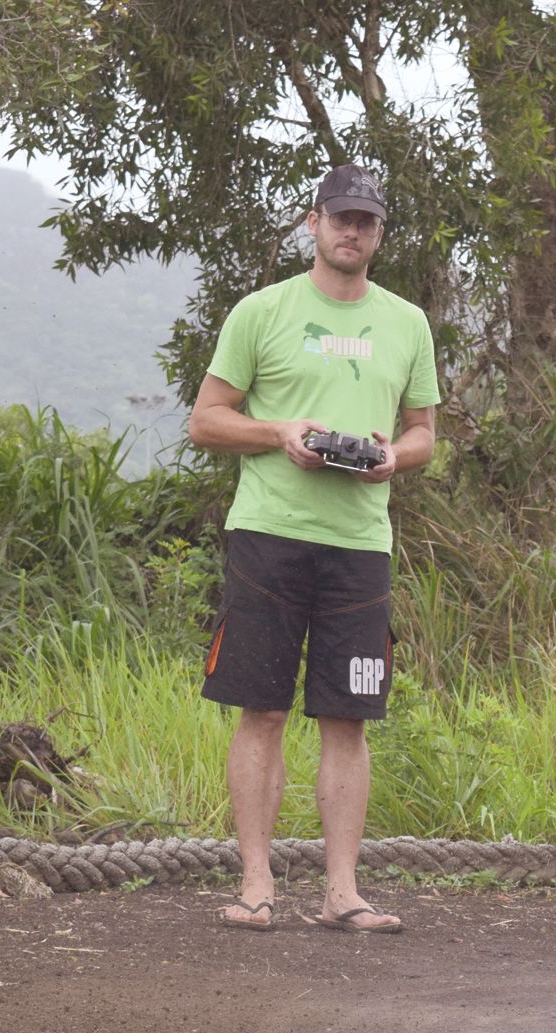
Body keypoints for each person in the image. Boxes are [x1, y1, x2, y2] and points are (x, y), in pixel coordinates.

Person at [188, 164, 439, 933]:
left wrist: (394, 454)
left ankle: (341, 891)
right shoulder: (261, 312)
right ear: (313, 222)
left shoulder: (407, 323)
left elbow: (426, 431)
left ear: (379, 233)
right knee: (260, 710)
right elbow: (205, 420)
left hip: (360, 545)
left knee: (348, 717)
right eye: (340, 218)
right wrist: (280, 433)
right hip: (268, 536)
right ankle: (256, 885)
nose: (351, 232)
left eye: (366, 221)